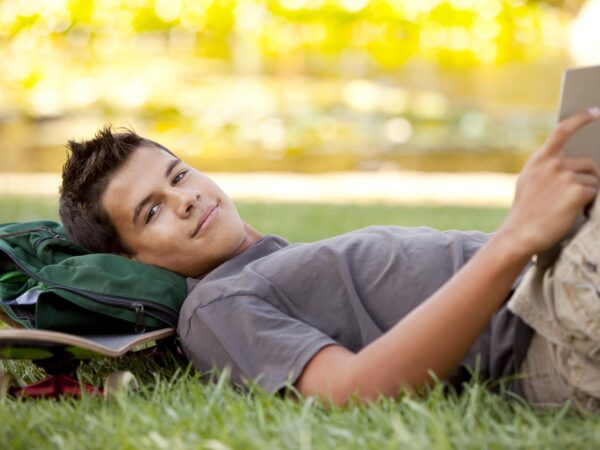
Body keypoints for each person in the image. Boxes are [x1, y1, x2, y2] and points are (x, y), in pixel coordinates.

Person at [58, 108, 600, 408]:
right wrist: (513, 240)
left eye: (179, 175)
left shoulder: (272, 263)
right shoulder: (216, 307)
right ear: (136, 262)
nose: (186, 198)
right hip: (546, 331)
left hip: (553, 282)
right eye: (152, 212)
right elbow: (355, 390)